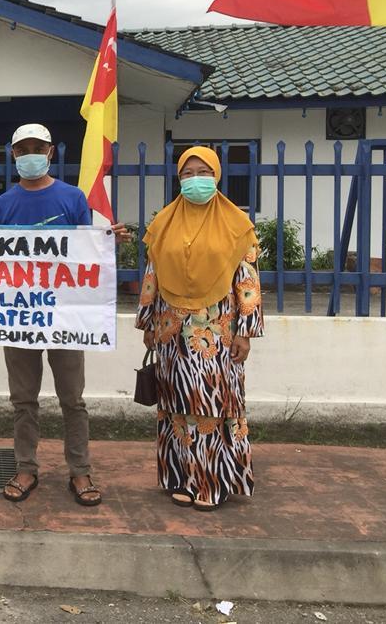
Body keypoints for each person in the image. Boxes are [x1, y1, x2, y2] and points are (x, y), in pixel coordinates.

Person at [0, 123, 126, 507]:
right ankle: (25, 467)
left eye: (37, 147)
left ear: (50, 152)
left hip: (67, 319)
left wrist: (107, 241)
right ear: (13, 155)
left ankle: (80, 471)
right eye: (22, 149)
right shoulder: (3, 204)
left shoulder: (72, 198)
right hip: (21, 319)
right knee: (23, 399)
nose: (29, 154)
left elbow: (85, 252)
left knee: (73, 400)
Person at [135, 146, 262, 511]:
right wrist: (147, 323)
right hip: (171, 331)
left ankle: (210, 483)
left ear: (217, 175)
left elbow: (248, 281)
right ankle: (181, 478)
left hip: (218, 332)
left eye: (202, 172)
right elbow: (152, 276)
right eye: (187, 173)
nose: (195, 180)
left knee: (210, 405)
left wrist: (245, 332)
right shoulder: (164, 223)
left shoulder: (237, 225)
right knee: (177, 404)